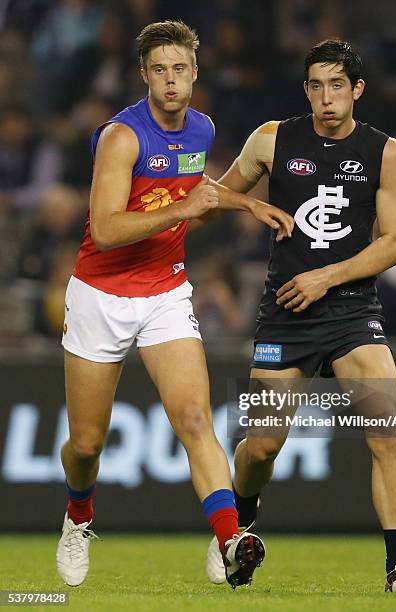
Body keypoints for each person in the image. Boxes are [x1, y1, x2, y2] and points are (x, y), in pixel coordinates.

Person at [56, 20, 294, 590]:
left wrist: (245, 204)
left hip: (166, 292)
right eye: (159, 70)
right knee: (86, 445)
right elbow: (108, 229)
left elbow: (199, 191)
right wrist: (181, 213)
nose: (170, 81)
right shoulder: (122, 137)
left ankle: (230, 537)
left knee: (194, 420)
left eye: (180, 70)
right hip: (100, 295)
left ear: (194, 73)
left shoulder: (203, 129)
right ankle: (77, 516)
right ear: (144, 75)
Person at [206, 39, 396, 594]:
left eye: (337, 85)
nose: (326, 98)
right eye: (315, 85)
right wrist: (248, 203)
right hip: (285, 312)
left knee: (386, 432)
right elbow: (211, 196)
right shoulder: (271, 139)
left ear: (357, 90)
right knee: (261, 447)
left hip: (353, 312)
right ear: (305, 89)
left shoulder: (386, 152)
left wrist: (329, 276)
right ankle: (239, 530)